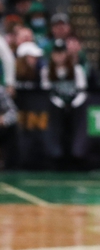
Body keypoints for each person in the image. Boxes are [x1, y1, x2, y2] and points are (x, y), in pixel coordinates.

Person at [41, 38, 89, 168]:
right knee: (54, 118)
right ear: (52, 55)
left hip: (75, 105)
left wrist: (72, 103)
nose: (59, 56)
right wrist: (60, 103)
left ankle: (77, 154)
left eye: (62, 52)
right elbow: (46, 93)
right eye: (56, 53)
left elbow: (82, 90)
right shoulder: (46, 71)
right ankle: (55, 154)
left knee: (80, 118)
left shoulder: (76, 69)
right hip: (56, 106)